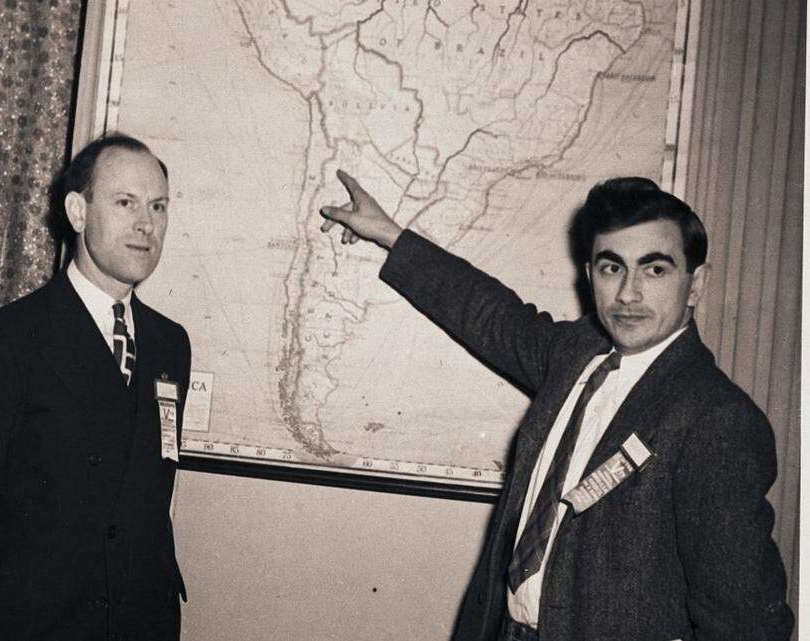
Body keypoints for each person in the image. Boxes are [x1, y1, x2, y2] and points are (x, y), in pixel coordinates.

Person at [320, 172, 793, 641]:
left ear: (694, 284)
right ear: (590, 276)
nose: (628, 294)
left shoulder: (715, 419)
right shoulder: (575, 353)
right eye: (612, 268)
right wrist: (390, 236)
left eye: (655, 269)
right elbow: (487, 313)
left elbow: (747, 622)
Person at [0, 133, 191, 641]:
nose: (146, 225)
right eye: (125, 203)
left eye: (158, 207)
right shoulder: (1, 342)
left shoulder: (171, 346)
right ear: (77, 212)